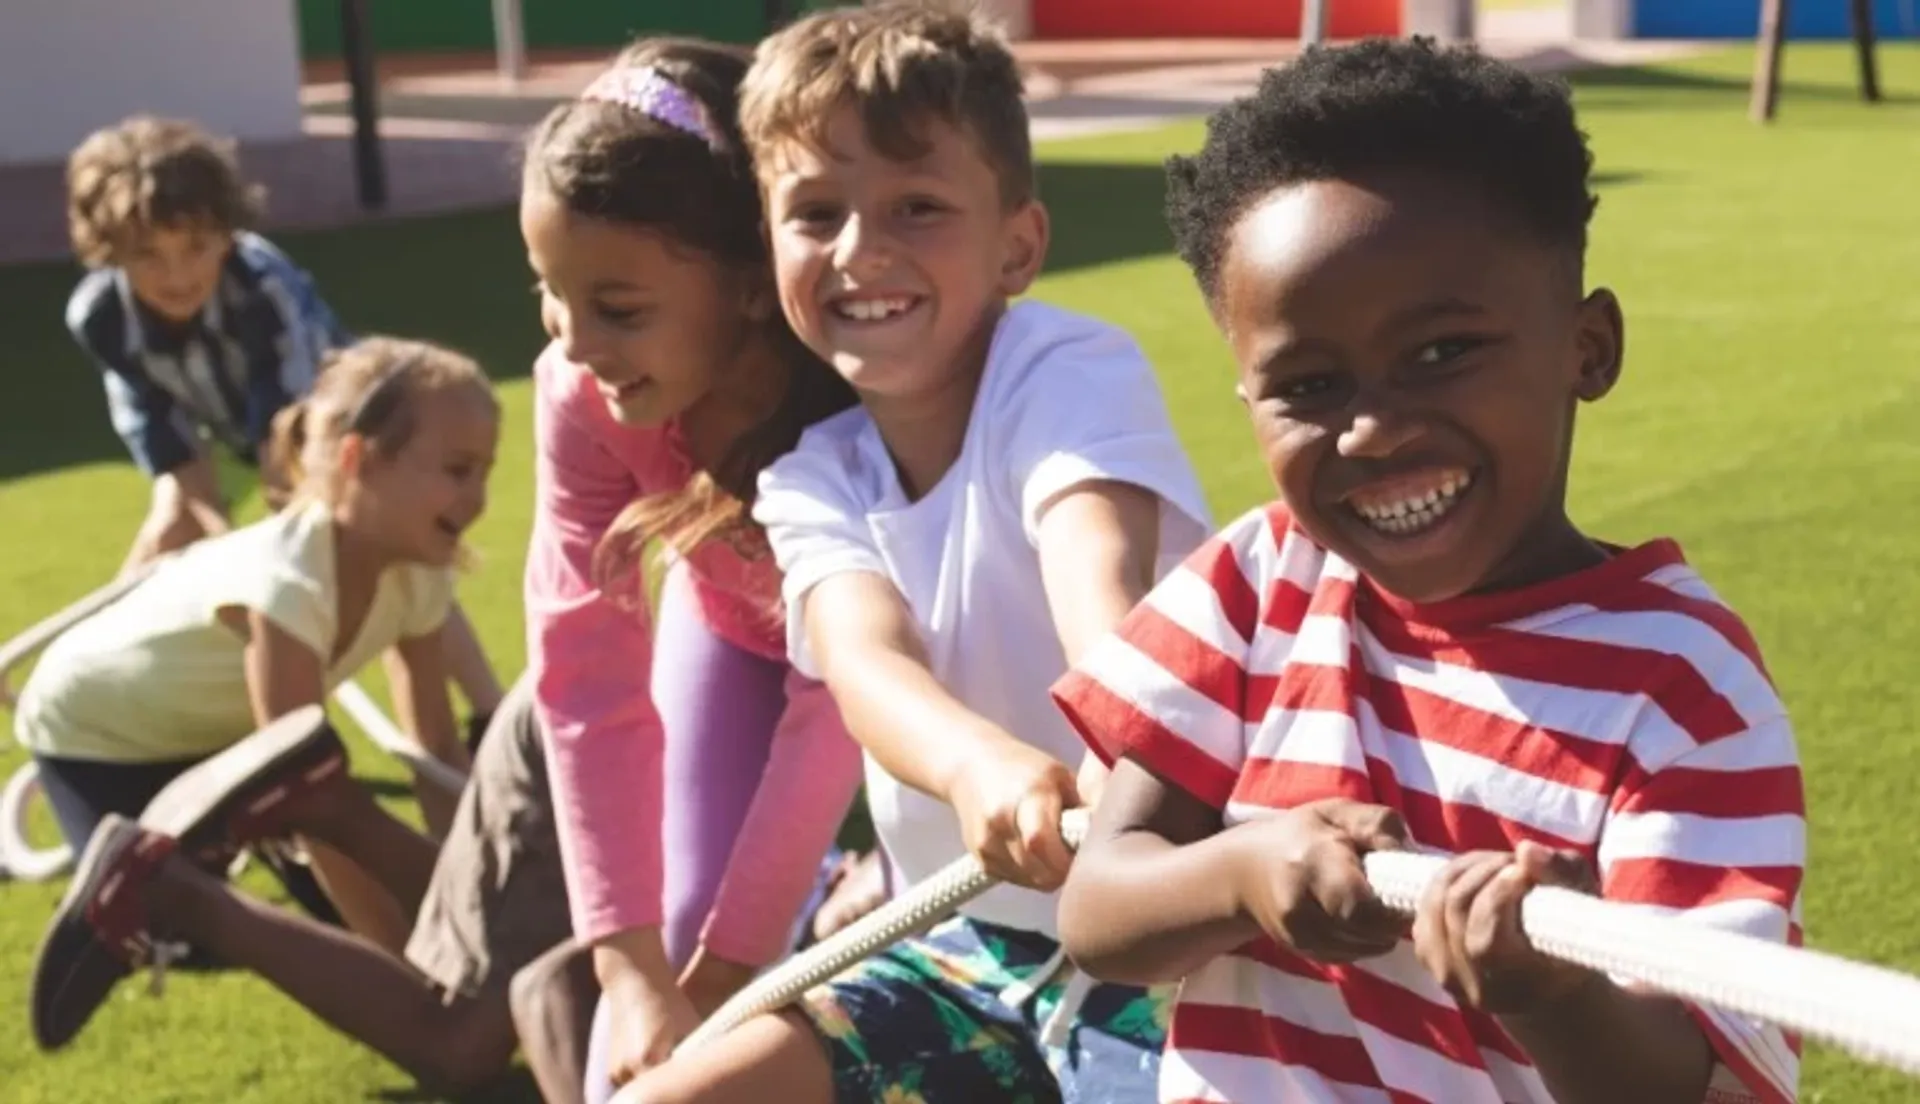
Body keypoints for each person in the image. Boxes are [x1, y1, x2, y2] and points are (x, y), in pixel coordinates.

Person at [1049, 38, 1806, 1104]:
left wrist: (1554, 994)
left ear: (1586, 348)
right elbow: (1098, 912)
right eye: (1309, 384)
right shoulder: (1259, 579)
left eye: (1444, 352)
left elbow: (1696, 1083)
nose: (1371, 430)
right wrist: (1244, 872)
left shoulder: (1683, 686)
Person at [620, 5, 1214, 1102]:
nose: (860, 250)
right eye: (815, 212)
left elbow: (1101, 578)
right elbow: (867, 663)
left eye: (919, 207)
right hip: (961, 950)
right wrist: (973, 766)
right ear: (772, 245)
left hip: (1176, 947)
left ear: (1018, 245)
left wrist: (1117, 748)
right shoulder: (809, 479)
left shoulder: (1066, 370)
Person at [511, 38, 877, 1099]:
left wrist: (725, 975)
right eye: (549, 292)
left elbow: (838, 703)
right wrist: (630, 971)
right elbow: (584, 674)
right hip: (728, 627)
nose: (574, 343)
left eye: (617, 309)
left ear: (754, 287)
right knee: (659, 945)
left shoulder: (862, 405)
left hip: (890, 677)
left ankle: (843, 886)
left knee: (783, 972)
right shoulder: (580, 394)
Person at [22, 335, 499, 1043]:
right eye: (459, 470)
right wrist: (413, 971)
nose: (479, 497)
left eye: (485, 471)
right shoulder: (289, 583)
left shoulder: (419, 573)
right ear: (357, 459)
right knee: (170, 928)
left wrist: (478, 891)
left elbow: (432, 747)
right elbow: (308, 795)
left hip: (216, 736)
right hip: (97, 734)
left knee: (326, 866)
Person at [61, 114, 504, 753]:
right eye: (147, 256)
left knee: (392, 554)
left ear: (227, 232)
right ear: (110, 253)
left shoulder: (259, 285)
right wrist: (202, 538)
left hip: (331, 431)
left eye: (195, 248)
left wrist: (270, 557)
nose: (177, 275)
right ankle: (95, 668)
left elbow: (292, 436)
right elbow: (173, 454)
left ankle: (488, 709)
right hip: (225, 428)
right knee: (168, 532)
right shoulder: (101, 316)